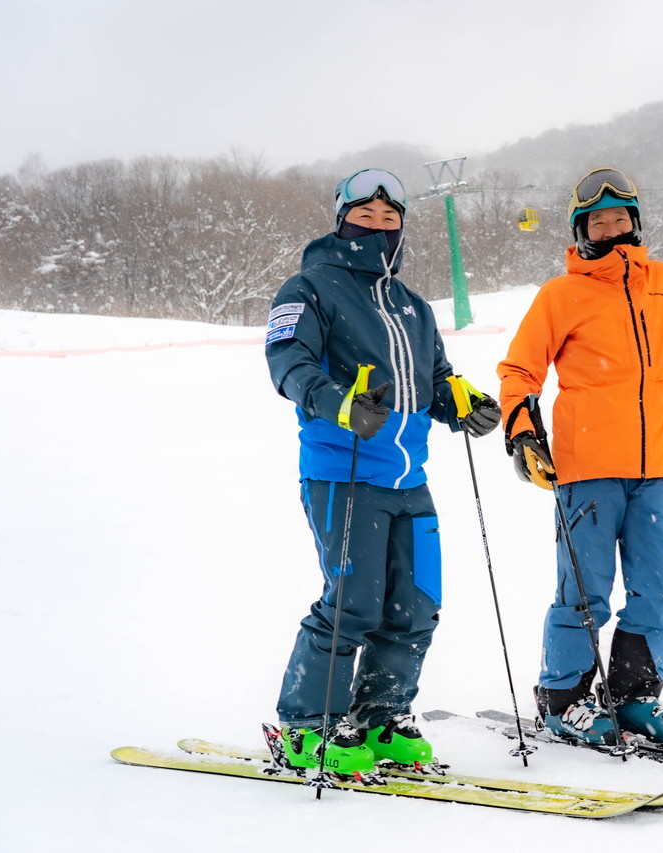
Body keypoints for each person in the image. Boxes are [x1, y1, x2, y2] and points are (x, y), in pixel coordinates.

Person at [264, 167, 501, 774]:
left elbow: (437, 377)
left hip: (408, 480)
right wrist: (337, 402)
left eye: (388, 217)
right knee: (352, 605)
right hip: (342, 474)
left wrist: (463, 402)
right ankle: (305, 727)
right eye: (364, 215)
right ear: (342, 220)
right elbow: (287, 362)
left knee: (417, 606)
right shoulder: (307, 288)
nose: (376, 224)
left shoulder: (412, 306)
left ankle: (381, 717)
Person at [497, 167, 663, 747]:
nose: (610, 228)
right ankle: (563, 699)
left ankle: (635, 696)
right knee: (584, 592)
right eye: (597, 220)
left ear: (634, 222)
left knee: (660, 588)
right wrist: (522, 431)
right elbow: (519, 370)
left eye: (619, 218)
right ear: (580, 228)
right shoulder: (561, 295)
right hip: (586, 469)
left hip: (658, 467)